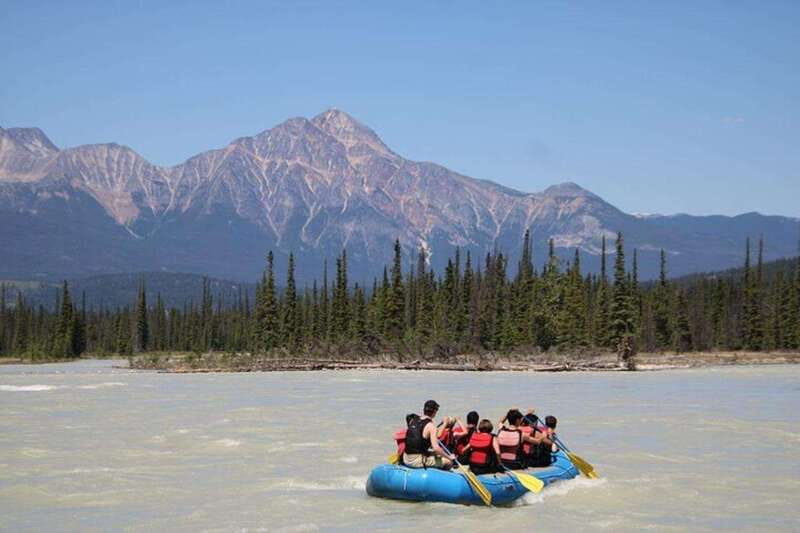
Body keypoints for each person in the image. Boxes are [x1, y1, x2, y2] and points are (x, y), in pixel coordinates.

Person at [403, 400, 453, 469]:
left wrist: (444, 424)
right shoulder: (431, 426)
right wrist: (449, 457)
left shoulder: (413, 419)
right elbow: (436, 448)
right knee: (448, 461)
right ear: (434, 412)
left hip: (406, 458)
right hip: (416, 461)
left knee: (438, 455)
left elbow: (430, 434)